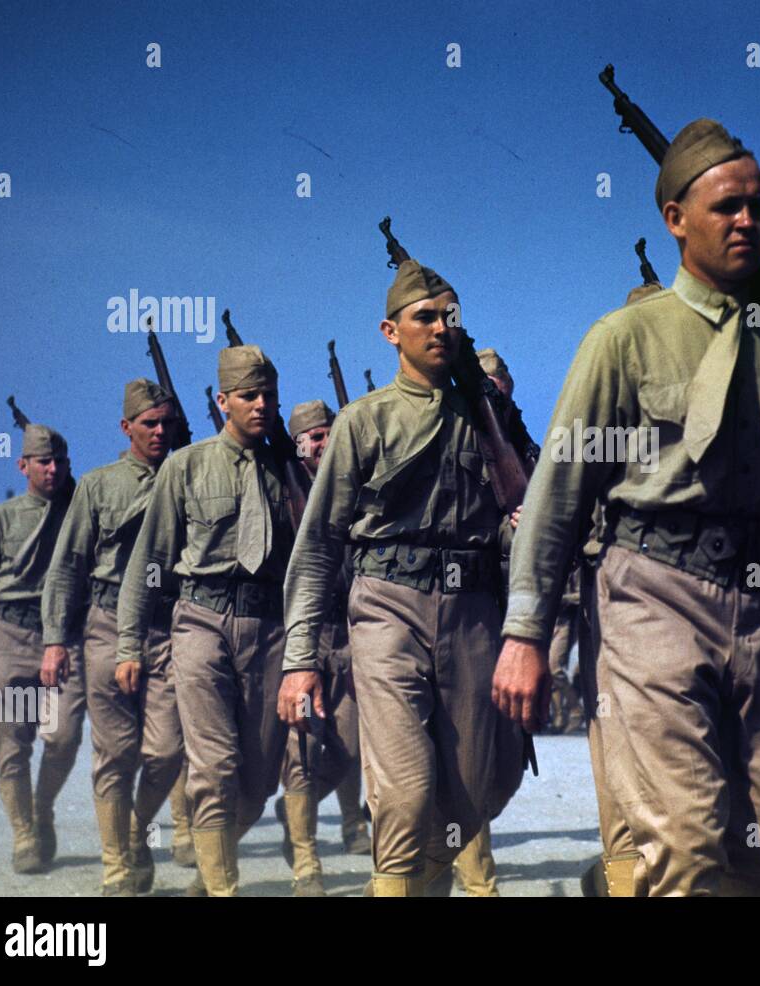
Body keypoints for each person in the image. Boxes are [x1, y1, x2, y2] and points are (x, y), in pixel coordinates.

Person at [494, 119, 760, 895]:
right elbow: (558, 495)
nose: (747, 219)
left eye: (758, 206)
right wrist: (525, 632)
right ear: (675, 220)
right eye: (726, 207)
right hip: (653, 596)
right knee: (683, 851)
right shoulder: (624, 339)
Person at [281, 260, 523, 897]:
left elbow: (515, 520)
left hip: (473, 611)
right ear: (391, 332)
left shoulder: (486, 417)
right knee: (407, 797)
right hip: (386, 608)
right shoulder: (364, 421)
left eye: (450, 317)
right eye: (424, 317)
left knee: (475, 794)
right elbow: (317, 549)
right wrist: (299, 659)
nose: (440, 328)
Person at [117, 345, 295, 896]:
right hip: (201, 622)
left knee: (262, 776)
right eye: (248, 396)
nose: (260, 405)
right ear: (223, 402)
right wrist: (129, 642)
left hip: (269, 628)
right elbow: (149, 561)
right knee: (213, 768)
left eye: (268, 395)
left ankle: (209, 865)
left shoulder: (290, 474)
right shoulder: (185, 465)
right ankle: (223, 889)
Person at [40, 380, 185, 895]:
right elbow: (67, 567)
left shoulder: (186, 475)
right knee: (115, 753)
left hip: (168, 626)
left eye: (167, 423)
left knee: (168, 751)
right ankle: (117, 868)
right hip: (104, 627)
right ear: (126, 428)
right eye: (149, 424)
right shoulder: (98, 486)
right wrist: (56, 640)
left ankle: (133, 828)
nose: (160, 432)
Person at [0, 423, 86, 875]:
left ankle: (43, 807)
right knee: (13, 745)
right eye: (43, 462)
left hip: (64, 640)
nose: (52, 469)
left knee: (65, 736)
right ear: (23, 465)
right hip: (8, 639)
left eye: (60, 462)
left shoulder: (78, 513)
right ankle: (24, 833)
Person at [271, 398, 366, 896]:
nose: (324, 442)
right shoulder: (280, 492)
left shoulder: (359, 486)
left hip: (351, 635)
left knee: (350, 747)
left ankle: (293, 819)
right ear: (297, 444)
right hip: (301, 638)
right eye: (315, 436)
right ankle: (306, 861)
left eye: (331, 433)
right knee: (302, 747)